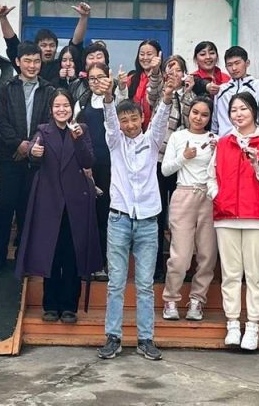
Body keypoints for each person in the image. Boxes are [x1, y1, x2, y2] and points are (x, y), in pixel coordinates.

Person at [97, 71, 174, 361]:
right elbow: (108, 119)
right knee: (116, 283)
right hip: (118, 219)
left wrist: (167, 96)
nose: (129, 125)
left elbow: (162, 119)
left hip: (148, 221)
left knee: (144, 285)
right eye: (124, 120)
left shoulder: (151, 141)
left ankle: (145, 339)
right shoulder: (114, 142)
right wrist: (108, 96)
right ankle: (113, 337)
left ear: (142, 118)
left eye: (133, 119)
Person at [16, 89, 101, 323]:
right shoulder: (43, 131)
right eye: (57, 106)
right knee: (51, 252)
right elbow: (34, 153)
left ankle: (69, 306)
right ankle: (51, 305)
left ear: (72, 108)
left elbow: (88, 161)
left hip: (76, 202)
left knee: (72, 254)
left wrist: (78, 139)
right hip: (50, 201)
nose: (61, 109)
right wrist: (34, 152)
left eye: (65, 105)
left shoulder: (81, 129)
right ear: (51, 109)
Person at [207, 92, 259, 351]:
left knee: (255, 274)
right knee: (230, 274)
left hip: (257, 217)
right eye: (234, 110)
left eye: (243, 108)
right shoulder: (223, 142)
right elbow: (210, 176)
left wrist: (258, 164)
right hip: (226, 217)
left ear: (254, 111)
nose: (238, 114)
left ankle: (252, 325)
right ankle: (232, 323)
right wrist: (217, 196)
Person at [0, 41, 54, 277]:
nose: (32, 65)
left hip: (36, 160)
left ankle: (23, 259)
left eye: (36, 61)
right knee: (5, 208)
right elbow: (0, 121)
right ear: (18, 62)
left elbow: (49, 121)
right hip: (9, 158)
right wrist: (18, 144)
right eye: (27, 61)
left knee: (29, 211)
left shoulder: (49, 90)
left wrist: (31, 144)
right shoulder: (6, 88)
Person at [159, 96, 217, 322]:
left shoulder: (215, 140)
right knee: (180, 255)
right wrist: (183, 157)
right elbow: (165, 170)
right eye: (195, 112)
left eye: (204, 114)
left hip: (208, 196)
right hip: (183, 193)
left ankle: (197, 300)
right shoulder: (178, 136)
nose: (199, 118)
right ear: (188, 113)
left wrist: (217, 152)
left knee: (207, 254)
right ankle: (171, 299)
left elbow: (220, 170)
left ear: (210, 117)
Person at [151, 54, 196, 281]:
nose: (174, 74)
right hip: (158, 161)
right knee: (157, 215)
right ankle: (156, 267)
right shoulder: (160, 91)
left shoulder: (190, 96)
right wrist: (156, 72)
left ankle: (181, 266)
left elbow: (191, 123)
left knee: (180, 218)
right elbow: (152, 90)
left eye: (178, 70)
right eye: (170, 69)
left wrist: (187, 94)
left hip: (181, 163)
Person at [74, 60, 116, 281]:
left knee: (104, 216)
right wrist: (83, 165)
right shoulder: (81, 103)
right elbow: (75, 135)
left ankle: (101, 264)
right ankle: (84, 263)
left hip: (111, 168)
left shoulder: (117, 100)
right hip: (87, 167)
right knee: (85, 216)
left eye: (101, 77)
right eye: (92, 78)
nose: (96, 82)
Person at [0, 2, 90, 81]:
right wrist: (2, 18)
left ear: (56, 48)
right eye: (43, 45)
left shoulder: (62, 66)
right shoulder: (28, 67)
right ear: (36, 47)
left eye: (52, 45)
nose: (48, 49)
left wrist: (84, 17)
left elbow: (76, 44)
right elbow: (12, 43)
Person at [212, 47, 259, 136]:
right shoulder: (220, 90)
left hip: (250, 139)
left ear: (247, 63)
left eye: (237, 63)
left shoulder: (257, 86)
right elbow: (214, 120)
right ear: (226, 67)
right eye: (229, 65)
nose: (234, 68)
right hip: (225, 140)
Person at [125, 39, 163, 127]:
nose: (145, 58)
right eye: (142, 54)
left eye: (149, 54)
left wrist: (155, 71)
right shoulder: (131, 79)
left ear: (158, 55)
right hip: (134, 129)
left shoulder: (165, 78)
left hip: (156, 128)